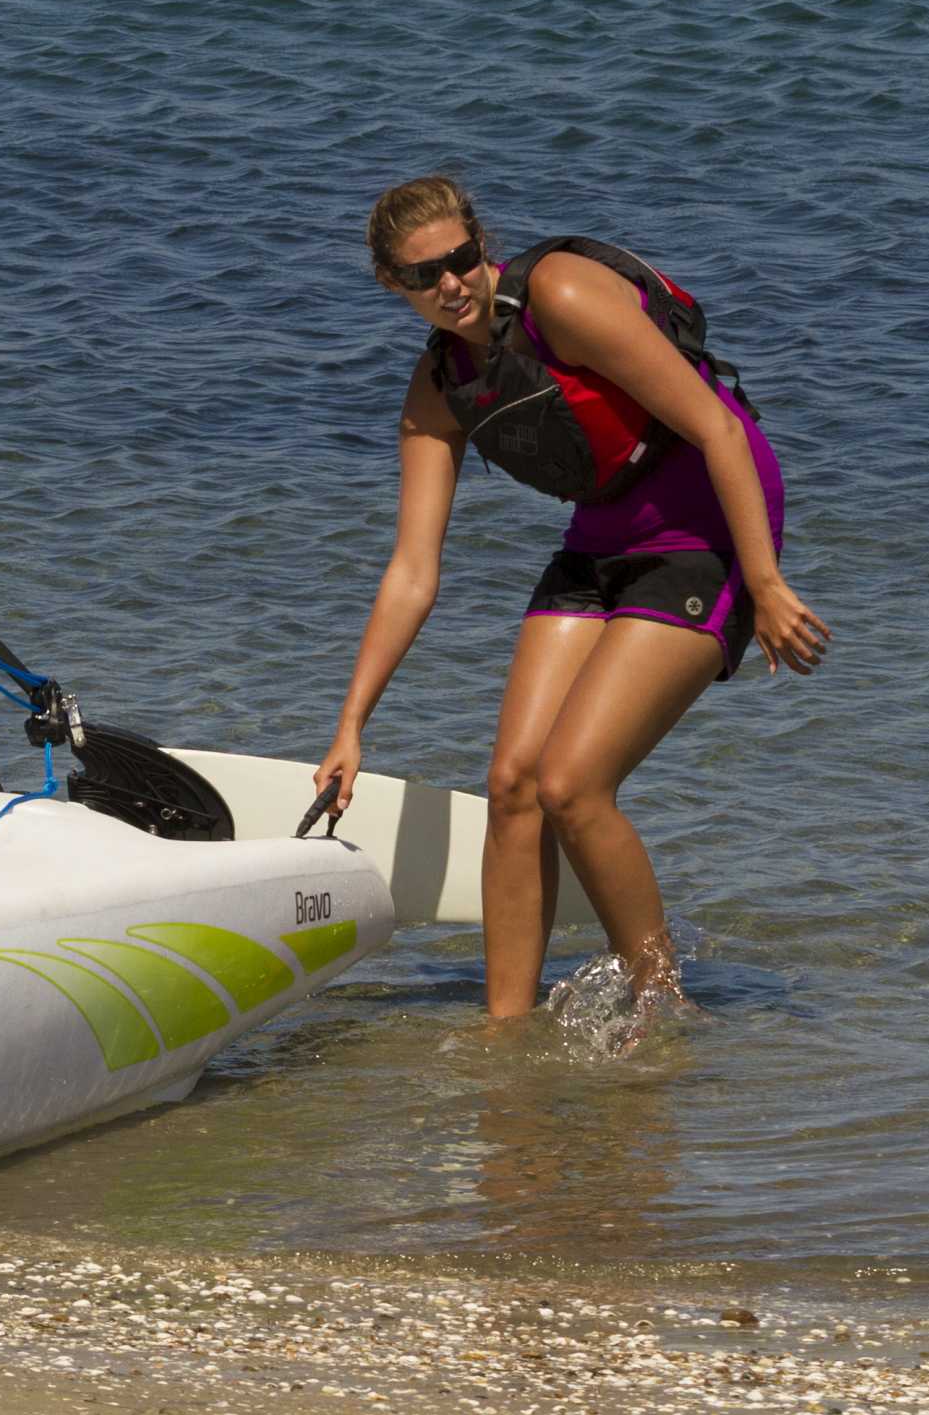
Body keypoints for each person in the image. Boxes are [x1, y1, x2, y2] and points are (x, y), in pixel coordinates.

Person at [313, 175, 826, 1025]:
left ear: (484, 245)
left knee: (573, 784)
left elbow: (719, 428)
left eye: (461, 258)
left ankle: (660, 1009)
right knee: (512, 784)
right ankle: (504, 1030)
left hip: (706, 529)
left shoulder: (561, 297)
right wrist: (351, 726)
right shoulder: (439, 389)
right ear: (392, 288)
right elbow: (412, 569)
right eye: (423, 275)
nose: (451, 284)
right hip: (603, 539)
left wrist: (765, 583)